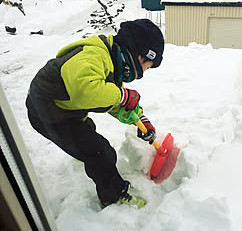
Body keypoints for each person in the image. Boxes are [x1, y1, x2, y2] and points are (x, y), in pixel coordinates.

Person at [26, 19, 164, 208]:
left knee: (92, 141)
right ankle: (113, 197)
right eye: (147, 66)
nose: (144, 72)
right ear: (140, 56)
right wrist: (123, 96)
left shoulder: (113, 61)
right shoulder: (93, 55)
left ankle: (101, 171)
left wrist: (140, 119)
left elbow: (112, 100)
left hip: (68, 111)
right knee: (100, 153)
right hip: (47, 113)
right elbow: (87, 91)